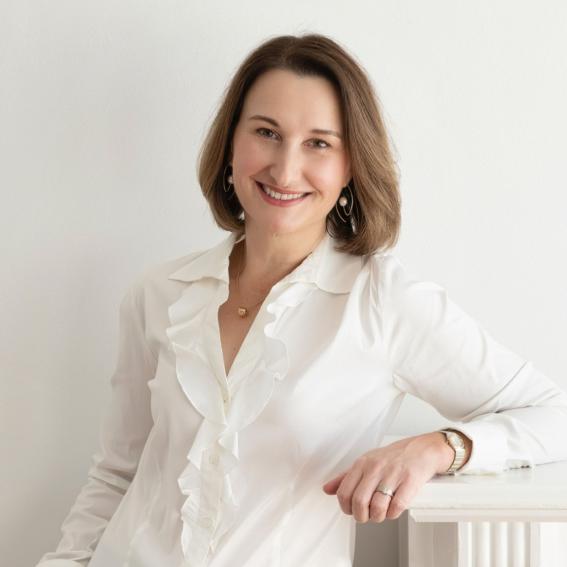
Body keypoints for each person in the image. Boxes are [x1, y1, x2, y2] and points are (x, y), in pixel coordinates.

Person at [37, 33, 567, 567]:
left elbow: (553, 415)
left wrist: (436, 447)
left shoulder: (383, 303)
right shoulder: (156, 295)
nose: (285, 170)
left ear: (350, 168)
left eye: (319, 143)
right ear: (230, 145)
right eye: (266, 132)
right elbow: (116, 474)